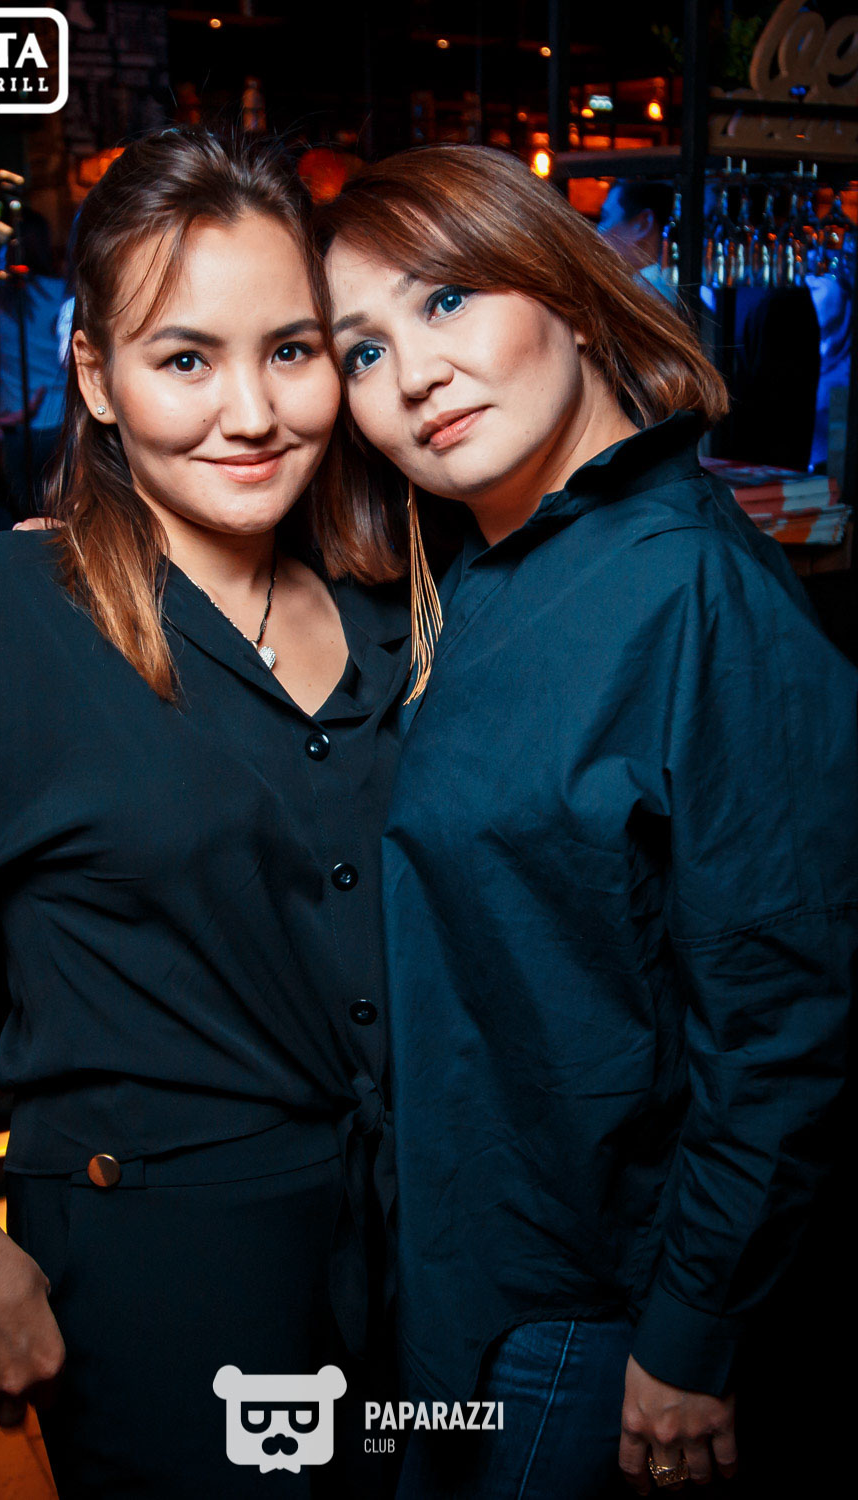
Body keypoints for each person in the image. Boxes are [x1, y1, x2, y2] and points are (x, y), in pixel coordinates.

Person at [0, 129, 411, 1498]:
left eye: (291, 351)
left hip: (411, 1264)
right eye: (185, 360)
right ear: (97, 376)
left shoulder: (393, 606)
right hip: (165, 1280)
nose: (252, 412)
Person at [318, 145, 856, 1498]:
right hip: (452, 1262)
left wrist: (690, 1335)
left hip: (575, 1310)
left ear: (564, 289)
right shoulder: (485, 568)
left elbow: (785, 1019)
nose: (413, 374)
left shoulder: (692, 595)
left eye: (446, 299)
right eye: (363, 349)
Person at [0, 208, 69, 517]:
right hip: (61, 418)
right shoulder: (63, 294)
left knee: (25, 515)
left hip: (15, 419)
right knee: (63, 512)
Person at [598, 179, 681, 307]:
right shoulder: (663, 290)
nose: (598, 233)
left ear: (643, 224)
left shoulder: (644, 299)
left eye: (605, 217)